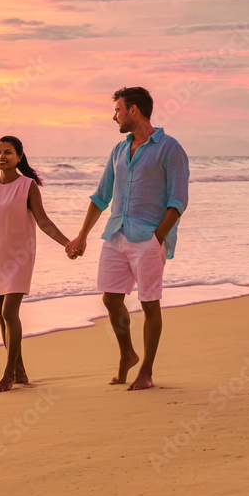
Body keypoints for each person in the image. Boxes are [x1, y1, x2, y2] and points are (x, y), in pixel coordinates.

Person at [65, 87, 189, 391]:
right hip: (116, 233)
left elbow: (177, 201)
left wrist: (157, 239)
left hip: (148, 237)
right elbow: (101, 196)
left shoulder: (170, 148)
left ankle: (146, 370)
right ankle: (127, 355)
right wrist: (82, 236)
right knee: (110, 297)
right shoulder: (119, 150)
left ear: (133, 110)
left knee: (149, 304)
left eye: (118, 110)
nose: (114, 116)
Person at [0, 136, 72, 393]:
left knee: (8, 314)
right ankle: (21, 371)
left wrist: (68, 243)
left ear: (19, 157)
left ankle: (8, 374)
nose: (2, 156)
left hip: (18, 259)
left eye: (8, 152)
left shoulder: (28, 186)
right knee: (2, 320)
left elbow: (43, 222)